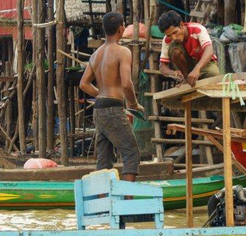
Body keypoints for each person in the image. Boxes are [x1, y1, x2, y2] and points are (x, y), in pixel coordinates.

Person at [79, 12, 143, 182]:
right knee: (131, 153)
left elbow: (84, 84)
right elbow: (127, 84)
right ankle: (126, 200)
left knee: (104, 159)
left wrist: (100, 94)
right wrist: (134, 104)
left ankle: (102, 200)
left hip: (99, 109)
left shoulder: (96, 54)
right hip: (114, 108)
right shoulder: (123, 51)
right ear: (121, 28)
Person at [157, 11, 220, 87]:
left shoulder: (198, 29)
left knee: (214, 73)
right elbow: (162, 67)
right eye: (169, 35)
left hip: (203, 64)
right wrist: (173, 73)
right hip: (186, 69)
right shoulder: (167, 39)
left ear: (181, 25)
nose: (173, 38)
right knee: (175, 51)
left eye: (175, 32)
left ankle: (192, 77)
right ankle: (186, 79)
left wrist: (197, 69)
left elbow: (209, 50)